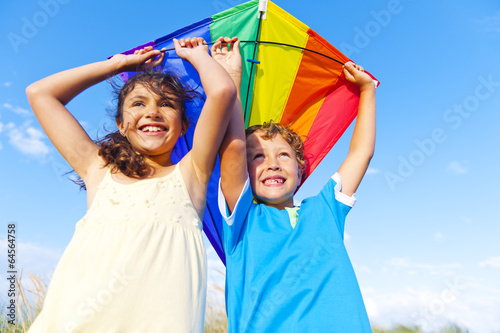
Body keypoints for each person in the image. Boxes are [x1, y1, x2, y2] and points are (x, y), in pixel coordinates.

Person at [25, 37, 236, 332]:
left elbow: (223, 91)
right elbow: (40, 93)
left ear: (184, 127)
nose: (152, 111)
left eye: (167, 104)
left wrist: (199, 56)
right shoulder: (97, 170)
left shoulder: (192, 174)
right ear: (121, 124)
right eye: (139, 103)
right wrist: (120, 65)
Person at [216, 36, 376, 332]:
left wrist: (366, 91)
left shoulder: (325, 209)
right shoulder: (242, 220)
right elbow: (232, 146)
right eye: (258, 157)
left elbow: (361, 153)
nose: (272, 163)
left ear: (301, 170)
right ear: (244, 172)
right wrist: (231, 77)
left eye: (284, 155)